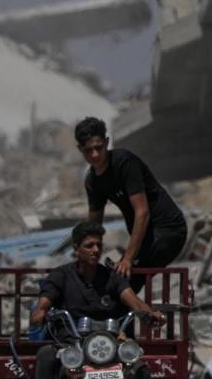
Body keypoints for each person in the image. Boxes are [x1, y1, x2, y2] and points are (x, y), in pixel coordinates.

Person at [26, 221, 164, 379]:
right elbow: (44, 303)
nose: (95, 250)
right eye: (89, 245)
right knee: (45, 356)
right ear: (76, 249)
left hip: (110, 346)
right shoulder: (61, 276)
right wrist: (40, 312)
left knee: (141, 371)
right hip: (73, 347)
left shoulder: (111, 276)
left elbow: (133, 300)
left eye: (98, 245)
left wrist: (149, 313)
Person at [75, 116, 188, 274]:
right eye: (88, 150)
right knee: (117, 284)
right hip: (144, 237)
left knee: (126, 282)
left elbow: (142, 212)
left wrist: (128, 259)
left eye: (98, 148)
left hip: (168, 230)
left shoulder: (124, 163)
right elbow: (94, 226)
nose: (94, 155)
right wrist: (85, 257)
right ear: (80, 149)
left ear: (107, 143)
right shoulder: (92, 181)